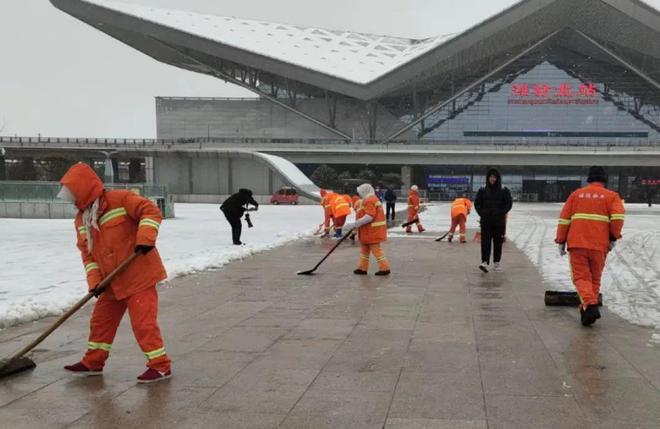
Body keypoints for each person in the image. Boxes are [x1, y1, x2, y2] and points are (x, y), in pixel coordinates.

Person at [57, 162, 171, 383]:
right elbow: (87, 254)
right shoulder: (82, 219)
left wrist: (145, 239)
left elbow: (150, 211)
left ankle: (160, 366)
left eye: (72, 194)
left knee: (143, 324)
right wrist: (95, 282)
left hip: (139, 275)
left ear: (83, 189)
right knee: (101, 322)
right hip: (110, 281)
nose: (71, 201)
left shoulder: (120, 199)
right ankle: (93, 362)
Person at [555, 166, 624, 326]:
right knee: (594, 278)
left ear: (589, 179)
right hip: (600, 245)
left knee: (580, 277)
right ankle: (586, 310)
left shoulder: (576, 195)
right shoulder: (612, 196)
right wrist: (613, 236)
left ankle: (590, 305)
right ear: (604, 180)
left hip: (577, 243)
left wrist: (561, 240)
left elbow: (564, 219)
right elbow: (618, 218)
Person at [343, 184, 390, 276]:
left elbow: (369, 216)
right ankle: (362, 268)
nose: (360, 194)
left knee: (377, 251)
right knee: (364, 251)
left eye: (360, 192)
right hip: (367, 231)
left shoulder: (369, 200)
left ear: (364, 191)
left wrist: (356, 223)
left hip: (372, 232)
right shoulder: (371, 199)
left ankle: (384, 268)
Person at [474, 168, 512, 272]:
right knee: (485, 242)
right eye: (490, 177)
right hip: (486, 221)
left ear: (497, 178)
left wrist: (501, 212)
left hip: (498, 221)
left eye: (494, 177)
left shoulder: (504, 190)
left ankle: (497, 262)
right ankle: (484, 262)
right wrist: (482, 213)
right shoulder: (482, 190)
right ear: (488, 178)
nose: (492, 179)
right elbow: (477, 203)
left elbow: (508, 204)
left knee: (497, 242)